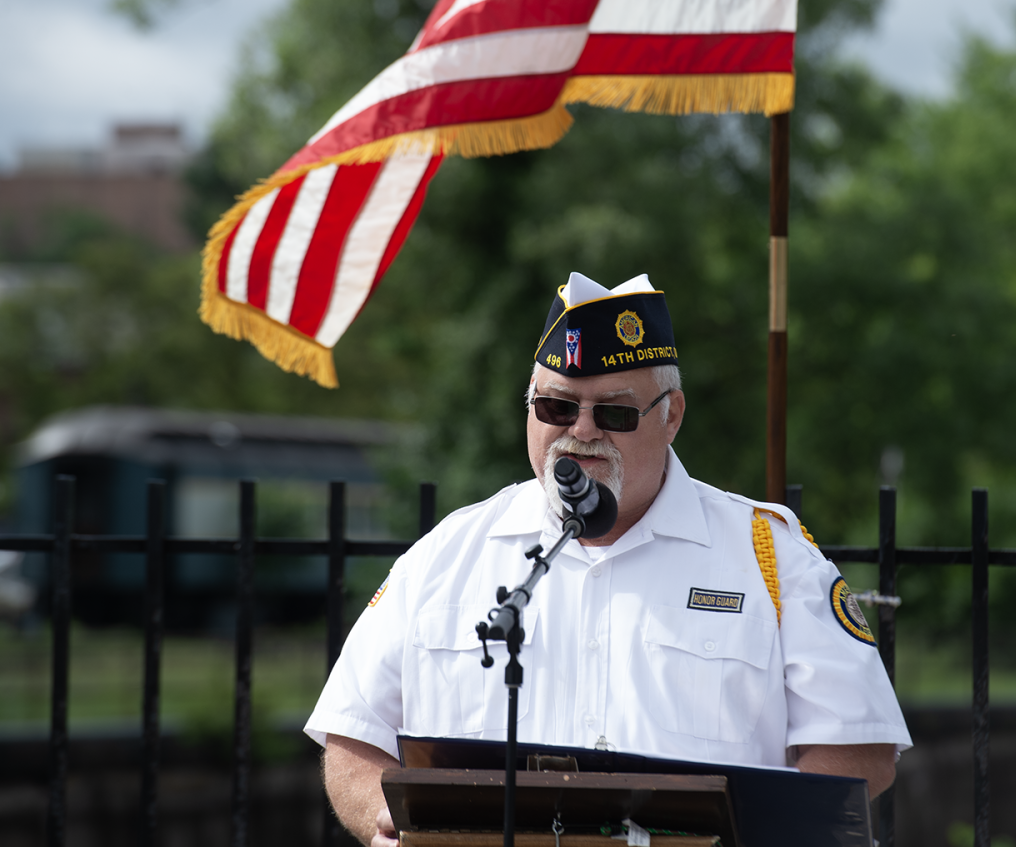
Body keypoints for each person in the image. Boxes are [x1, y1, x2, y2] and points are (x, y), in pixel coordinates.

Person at [306, 273, 912, 846]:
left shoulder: (771, 557)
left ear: (671, 415)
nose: (583, 431)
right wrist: (385, 822)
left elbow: (857, 749)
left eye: (615, 413)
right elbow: (354, 735)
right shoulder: (447, 554)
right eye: (558, 408)